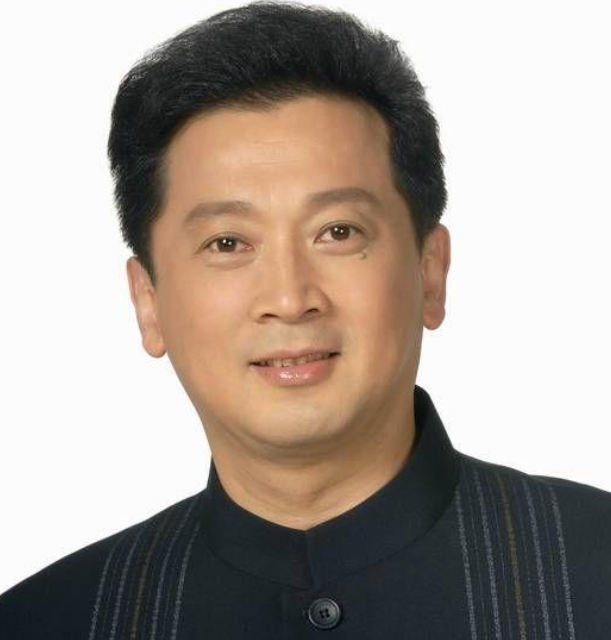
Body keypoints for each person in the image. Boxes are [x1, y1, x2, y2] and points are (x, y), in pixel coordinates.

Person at [1, 1, 609, 637]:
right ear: (147, 302)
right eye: (228, 243)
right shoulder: (47, 620)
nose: (290, 299)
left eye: (338, 232)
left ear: (430, 272)